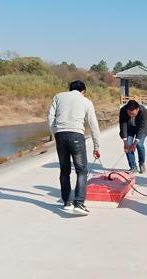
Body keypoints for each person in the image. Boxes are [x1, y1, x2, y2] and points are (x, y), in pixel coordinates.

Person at [47, 80, 101, 216]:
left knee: (64, 170)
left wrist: (55, 132)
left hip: (60, 135)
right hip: (76, 135)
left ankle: (67, 202)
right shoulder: (86, 101)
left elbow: (50, 116)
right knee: (81, 170)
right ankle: (79, 203)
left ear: (69, 89)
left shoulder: (58, 97)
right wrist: (96, 146)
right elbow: (93, 124)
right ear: (83, 91)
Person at [119, 100, 147, 174]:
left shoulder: (143, 110)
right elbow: (123, 125)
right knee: (128, 145)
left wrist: (135, 143)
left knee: (139, 145)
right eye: (129, 114)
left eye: (133, 114)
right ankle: (133, 167)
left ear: (137, 109)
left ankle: (142, 163)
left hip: (141, 129)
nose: (131, 116)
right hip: (129, 129)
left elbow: (142, 127)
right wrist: (125, 142)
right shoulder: (123, 110)